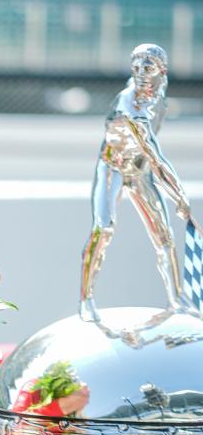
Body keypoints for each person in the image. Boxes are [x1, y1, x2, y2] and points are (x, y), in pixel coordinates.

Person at [80, 43, 193, 321]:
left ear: (161, 71)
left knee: (164, 236)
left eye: (148, 67)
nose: (141, 73)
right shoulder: (128, 104)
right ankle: (87, 298)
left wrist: (176, 197)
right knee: (103, 228)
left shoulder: (159, 102)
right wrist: (179, 196)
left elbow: (150, 158)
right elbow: (155, 154)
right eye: (137, 67)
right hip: (113, 168)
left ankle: (176, 300)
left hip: (139, 172)